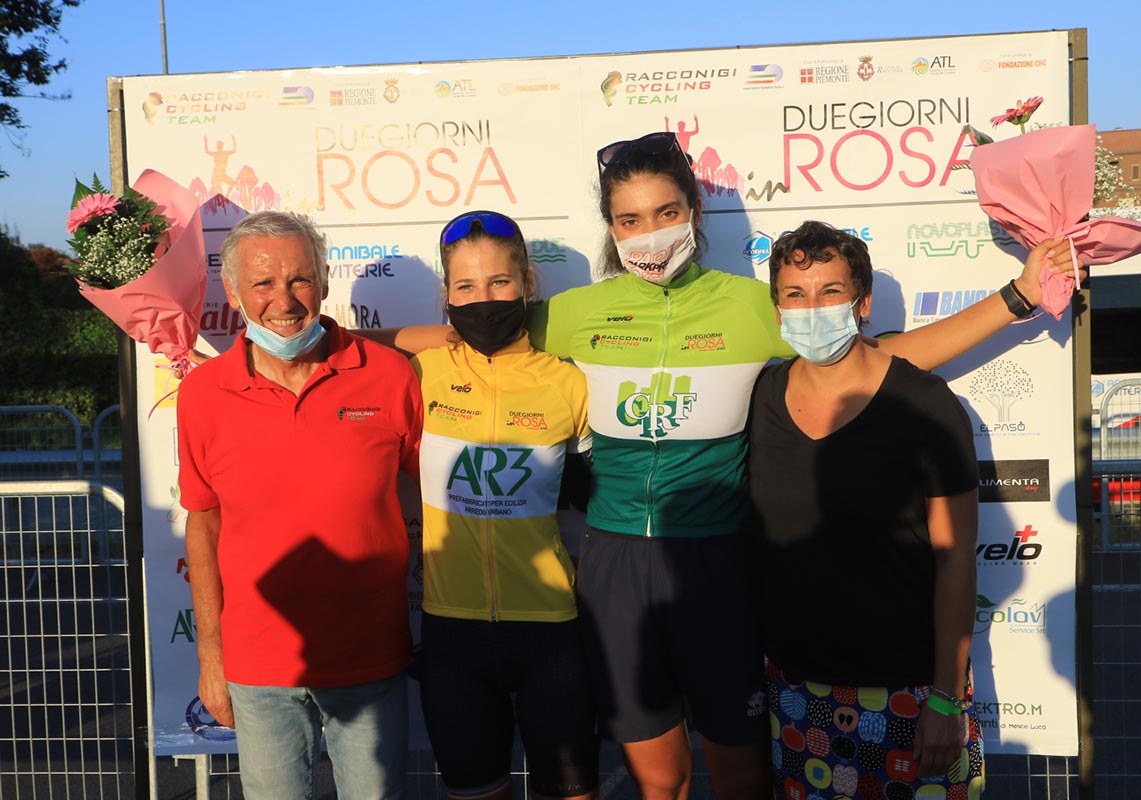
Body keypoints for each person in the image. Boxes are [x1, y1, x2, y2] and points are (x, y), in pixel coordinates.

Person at [526, 130, 1077, 800]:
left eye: (666, 213)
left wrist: (1017, 297)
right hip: (614, 563)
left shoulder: (751, 304)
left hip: (719, 564)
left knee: (743, 781)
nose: (650, 235)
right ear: (611, 228)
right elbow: (472, 337)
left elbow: (881, 359)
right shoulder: (573, 313)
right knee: (657, 782)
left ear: (695, 211)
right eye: (629, 220)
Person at [177, 211, 422, 800]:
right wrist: (211, 657)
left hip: (369, 658)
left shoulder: (390, 375)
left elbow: (438, 501)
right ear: (233, 291)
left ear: (325, 281)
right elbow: (203, 525)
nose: (283, 301)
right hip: (258, 668)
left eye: (300, 279)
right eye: (262, 283)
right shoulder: (202, 394)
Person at [748, 221, 983, 799]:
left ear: (863, 301)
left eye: (830, 291)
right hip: (797, 692)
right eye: (795, 294)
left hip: (910, 691)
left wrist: (945, 698)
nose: (812, 308)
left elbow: (956, 560)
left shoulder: (925, 404)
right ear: (777, 309)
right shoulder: (761, 396)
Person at [410, 210, 598, 800]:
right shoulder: (418, 373)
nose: (484, 300)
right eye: (465, 286)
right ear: (446, 296)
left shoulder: (569, 382)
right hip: (451, 632)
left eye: (499, 282)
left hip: (550, 631)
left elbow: (595, 495)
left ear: (527, 284)